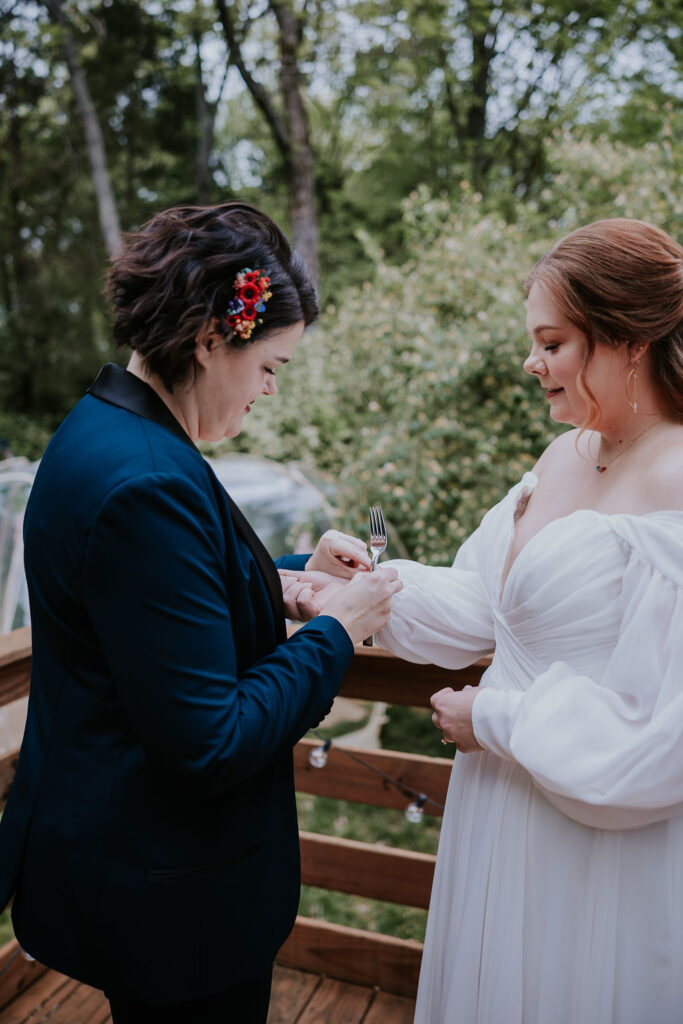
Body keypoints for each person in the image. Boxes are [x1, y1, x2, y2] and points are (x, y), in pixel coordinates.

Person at [0, 201, 401, 1024]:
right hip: (168, 897)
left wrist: (290, 580)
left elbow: (151, 603)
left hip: (118, 860)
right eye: (270, 368)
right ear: (213, 340)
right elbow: (209, 743)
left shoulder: (102, 428)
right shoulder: (147, 480)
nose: (266, 393)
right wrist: (337, 628)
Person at [290, 218, 683, 1022]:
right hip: (497, 807)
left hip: (594, 834)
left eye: (552, 342)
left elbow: (662, 735)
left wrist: (494, 716)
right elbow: (485, 605)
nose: (531, 364)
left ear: (628, 341)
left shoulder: (677, 481)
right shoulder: (560, 457)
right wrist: (366, 588)